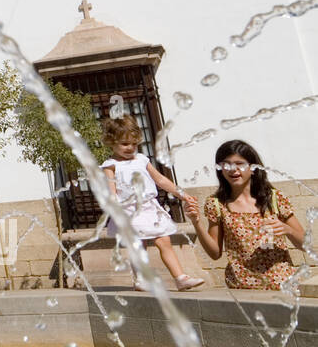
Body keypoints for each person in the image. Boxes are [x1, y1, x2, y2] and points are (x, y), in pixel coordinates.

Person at [101, 115, 203, 291]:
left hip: (149, 207)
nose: (130, 147)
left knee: (164, 241)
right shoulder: (111, 166)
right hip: (129, 210)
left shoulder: (141, 160)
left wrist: (183, 195)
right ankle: (140, 279)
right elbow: (111, 192)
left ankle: (180, 277)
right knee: (138, 245)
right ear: (111, 142)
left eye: (134, 143)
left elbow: (161, 180)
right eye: (125, 144)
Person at [184, 139, 303, 290]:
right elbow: (214, 253)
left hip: (283, 286)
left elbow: (305, 245)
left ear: (253, 168)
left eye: (239, 163)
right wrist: (196, 222)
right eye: (226, 164)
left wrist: (288, 230)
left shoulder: (274, 198)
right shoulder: (217, 204)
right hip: (242, 288)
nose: (233, 169)